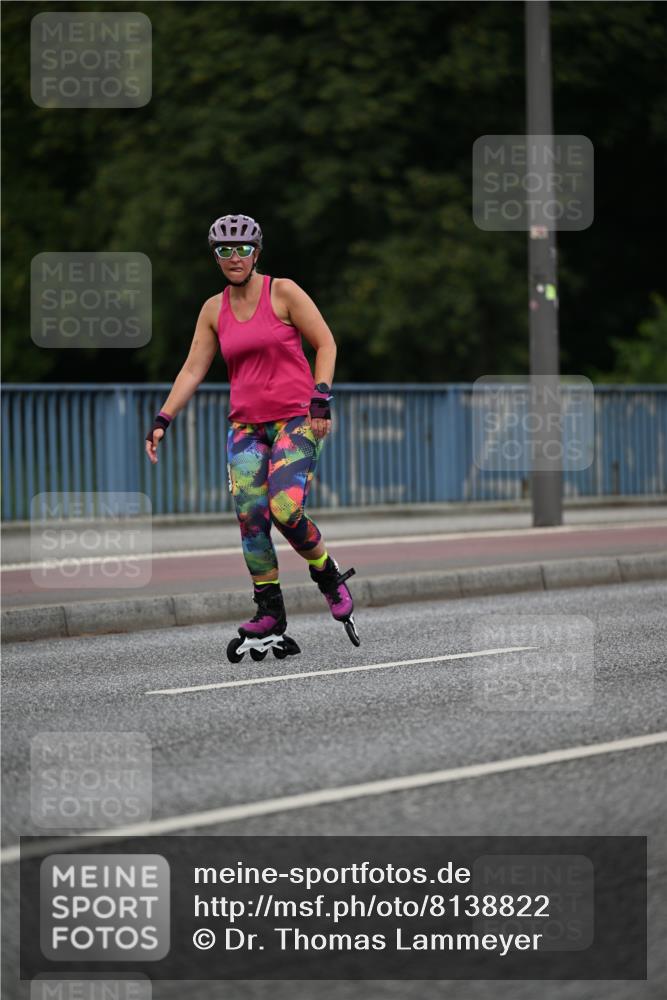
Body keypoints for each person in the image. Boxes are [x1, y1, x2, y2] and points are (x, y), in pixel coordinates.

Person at [145, 213, 359, 659]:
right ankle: (269, 610)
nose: (235, 257)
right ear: (216, 256)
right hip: (246, 428)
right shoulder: (213, 310)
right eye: (226, 250)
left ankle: (326, 573)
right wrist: (163, 418)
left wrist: (321, 397)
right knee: (251, 517)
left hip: (297, 420)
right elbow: (192, 369)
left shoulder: (283, 292)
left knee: (284, 507)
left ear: (257, 252)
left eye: (243, 248)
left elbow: (326, 343)